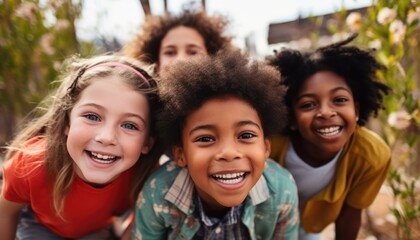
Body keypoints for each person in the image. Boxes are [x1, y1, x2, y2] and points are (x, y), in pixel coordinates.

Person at [132, 50, 299, 239]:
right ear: (181, 154)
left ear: (266, 147)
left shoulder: (282, 192)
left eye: (246, 135)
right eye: (205, 139)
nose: (228, 153)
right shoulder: (157, 193)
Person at [0, 54, 162, 239]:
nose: (106, 138)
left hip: (94, 233)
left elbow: (138, 222)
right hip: (40, 229)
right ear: (66, 122)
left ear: (148, 142)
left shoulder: (148, 175)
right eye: (92, 117)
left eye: (129, 125)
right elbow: (6, 213)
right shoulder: (31, 164)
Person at [267, 34, 392, 240]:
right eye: (308, 104)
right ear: (291, 119)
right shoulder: (270, 145)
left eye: (340, 99)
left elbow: (350, 216)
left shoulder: (371, 155)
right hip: (264, 223)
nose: (326, 112)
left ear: (356, 110)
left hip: (311, 226)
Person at [123, 8, 233, 74]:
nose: (181, 60)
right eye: (170, 52)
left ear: (212, 59)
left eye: (193, 52)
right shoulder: (142, 107)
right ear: (156, 64)